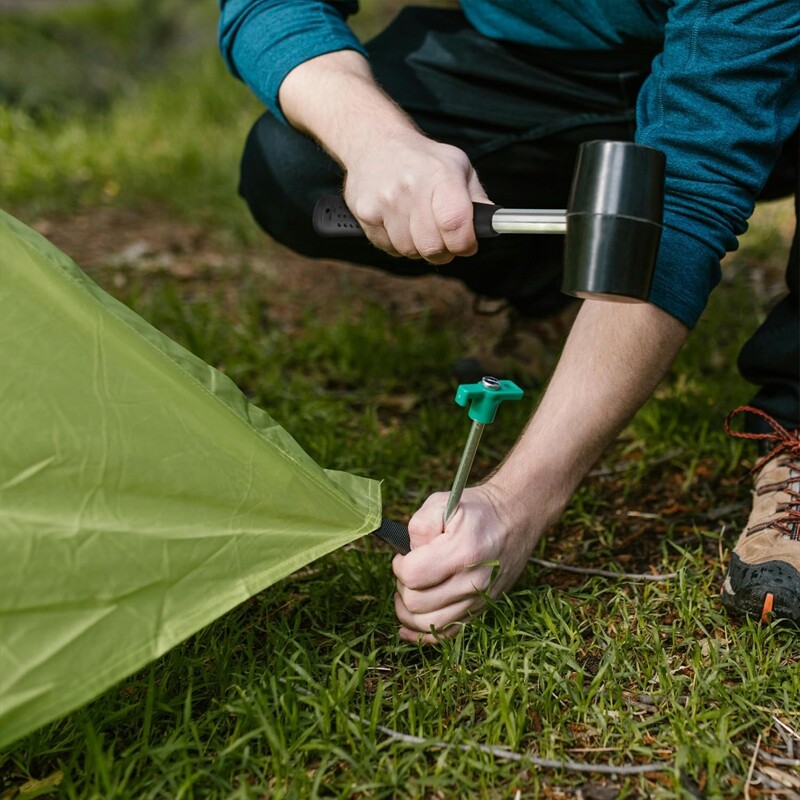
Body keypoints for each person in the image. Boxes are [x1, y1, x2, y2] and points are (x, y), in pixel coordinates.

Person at [218, 0, 800, 637]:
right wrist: (377, 141)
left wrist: (514, 504)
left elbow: (688, 195)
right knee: (295, 163)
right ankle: (563, 299)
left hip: (770, 63)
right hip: (550, 57)